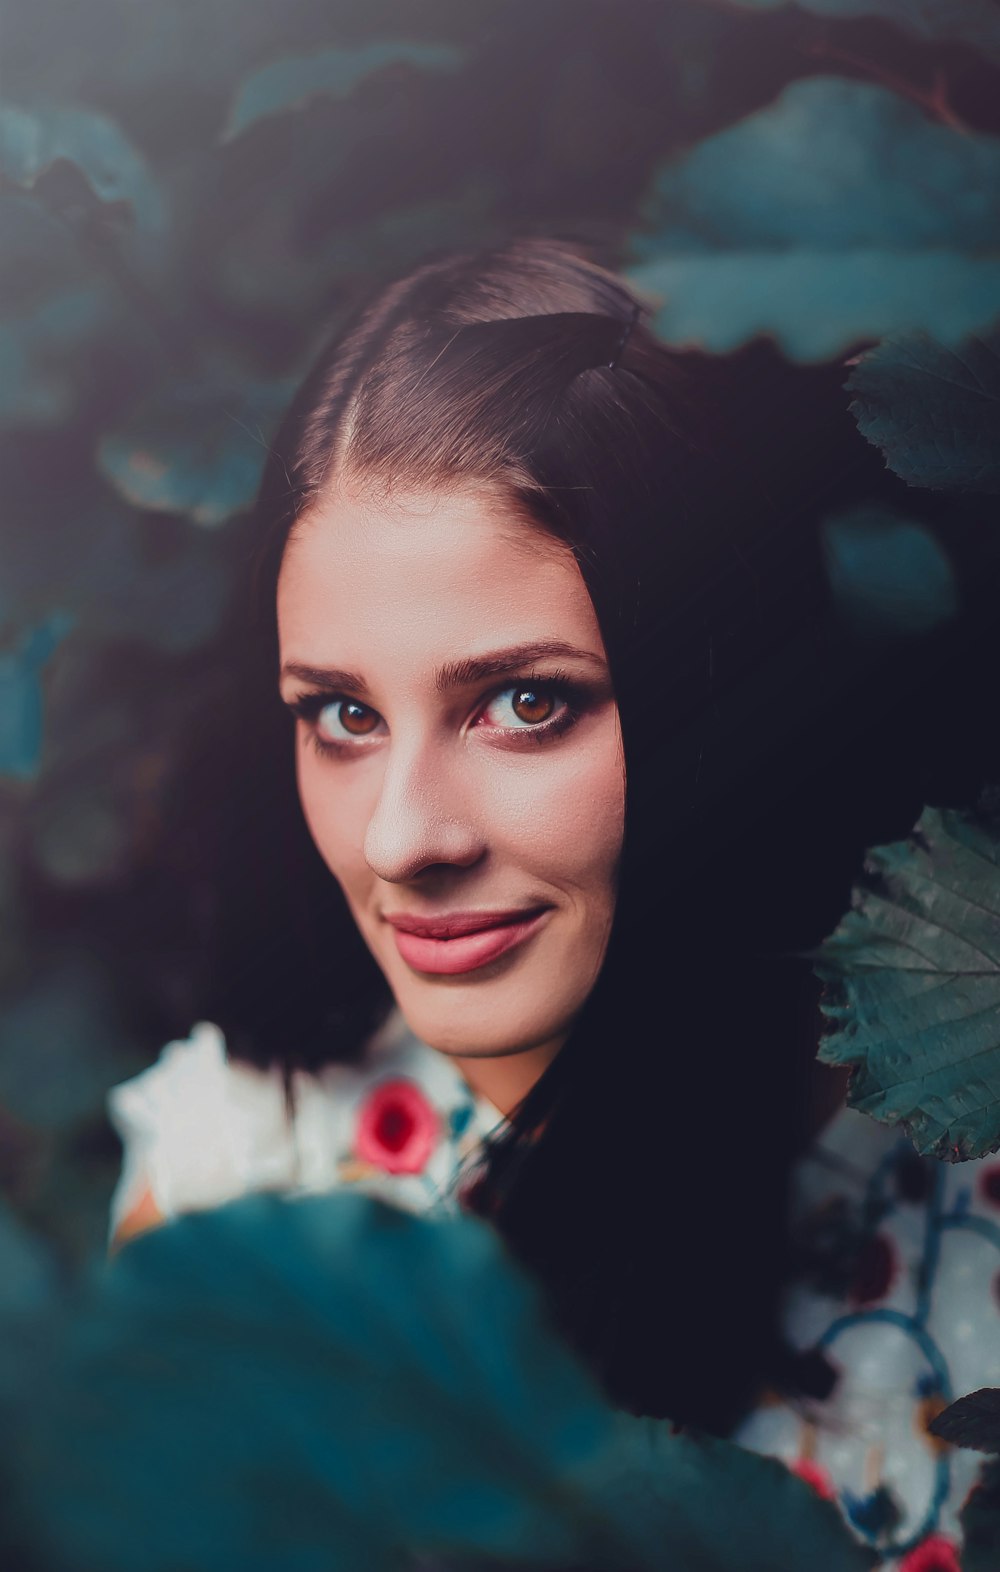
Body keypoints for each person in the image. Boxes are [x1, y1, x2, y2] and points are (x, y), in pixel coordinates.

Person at [105, 235, 1000, 1564]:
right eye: (342, 715)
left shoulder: (972, 1228)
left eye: (527, 703)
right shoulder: (240, 1193)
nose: (404, 836)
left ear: (721, 693)